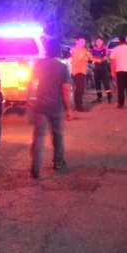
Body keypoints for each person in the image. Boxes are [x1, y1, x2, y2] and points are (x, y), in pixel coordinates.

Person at [28, 38, 72, 179]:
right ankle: (58, 162)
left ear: (46, 50)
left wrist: (30, 100)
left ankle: (36, 165)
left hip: (40, 105)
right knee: (57, 134)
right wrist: (69, 109)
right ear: (58, 50)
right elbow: (66, 89)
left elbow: (32, 83)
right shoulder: (63, 66)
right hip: (56, 105)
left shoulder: (38, 64)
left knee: (39, 136)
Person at [70, 36, 92, 112]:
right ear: (77, 41)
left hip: (82, 70)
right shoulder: (75, 49)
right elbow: (79, 59)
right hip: (77, 71)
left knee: (79, 88)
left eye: (84, 42)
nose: (83, 43)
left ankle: (78, 105)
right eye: (81, 41)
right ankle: (79, 105)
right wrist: (85, 57)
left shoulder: (84, 49)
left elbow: (90, 57)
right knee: (80, 88)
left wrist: (89, 56)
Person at [91, 37, 112, 103]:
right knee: (97, 83)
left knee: (106, 83)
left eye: (100, 41)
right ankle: (99, 97)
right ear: (96, 42)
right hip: (96, 68)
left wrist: (98, 59)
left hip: (104, 68)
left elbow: (105, 57)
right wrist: (95, 60)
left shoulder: (105, 48)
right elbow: (91, 58)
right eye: (97, 41)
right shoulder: (93, 49)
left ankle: (109, 97)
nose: (98, 42)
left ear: (102, 42)